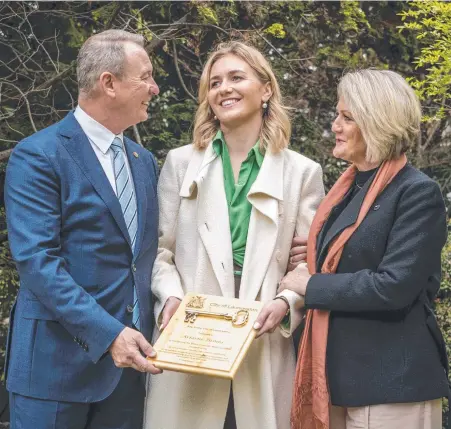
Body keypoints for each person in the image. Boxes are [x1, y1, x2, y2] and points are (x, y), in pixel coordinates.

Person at [144, 41, 325, 429]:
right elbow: (160, 252)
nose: (224, 88)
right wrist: (171, 296)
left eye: (236, 78)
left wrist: (286, 302)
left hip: (262, 336)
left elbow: (310, 263)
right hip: (192, 337)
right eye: (215, 82)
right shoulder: (179, 163)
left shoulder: (303, 173)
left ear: (266, 89)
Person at [4, 29, 162, 429]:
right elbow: (38, 263)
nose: (154, 87)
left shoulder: (144, 161)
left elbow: (147, 256)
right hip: (54, 371)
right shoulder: (39, 156)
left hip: (128, 374)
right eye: (144, 76)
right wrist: (109, 335)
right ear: (108, 83)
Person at [278, 69, 450, 429]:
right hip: (339, 380)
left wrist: (309, 285)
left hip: (392, 382)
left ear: (376, 122)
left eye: (346, 117)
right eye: (337, 115)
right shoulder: (346, 191)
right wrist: (313, 255)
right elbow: (348, 258)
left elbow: (394, 286)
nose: (335, 126)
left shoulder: (417, 192)